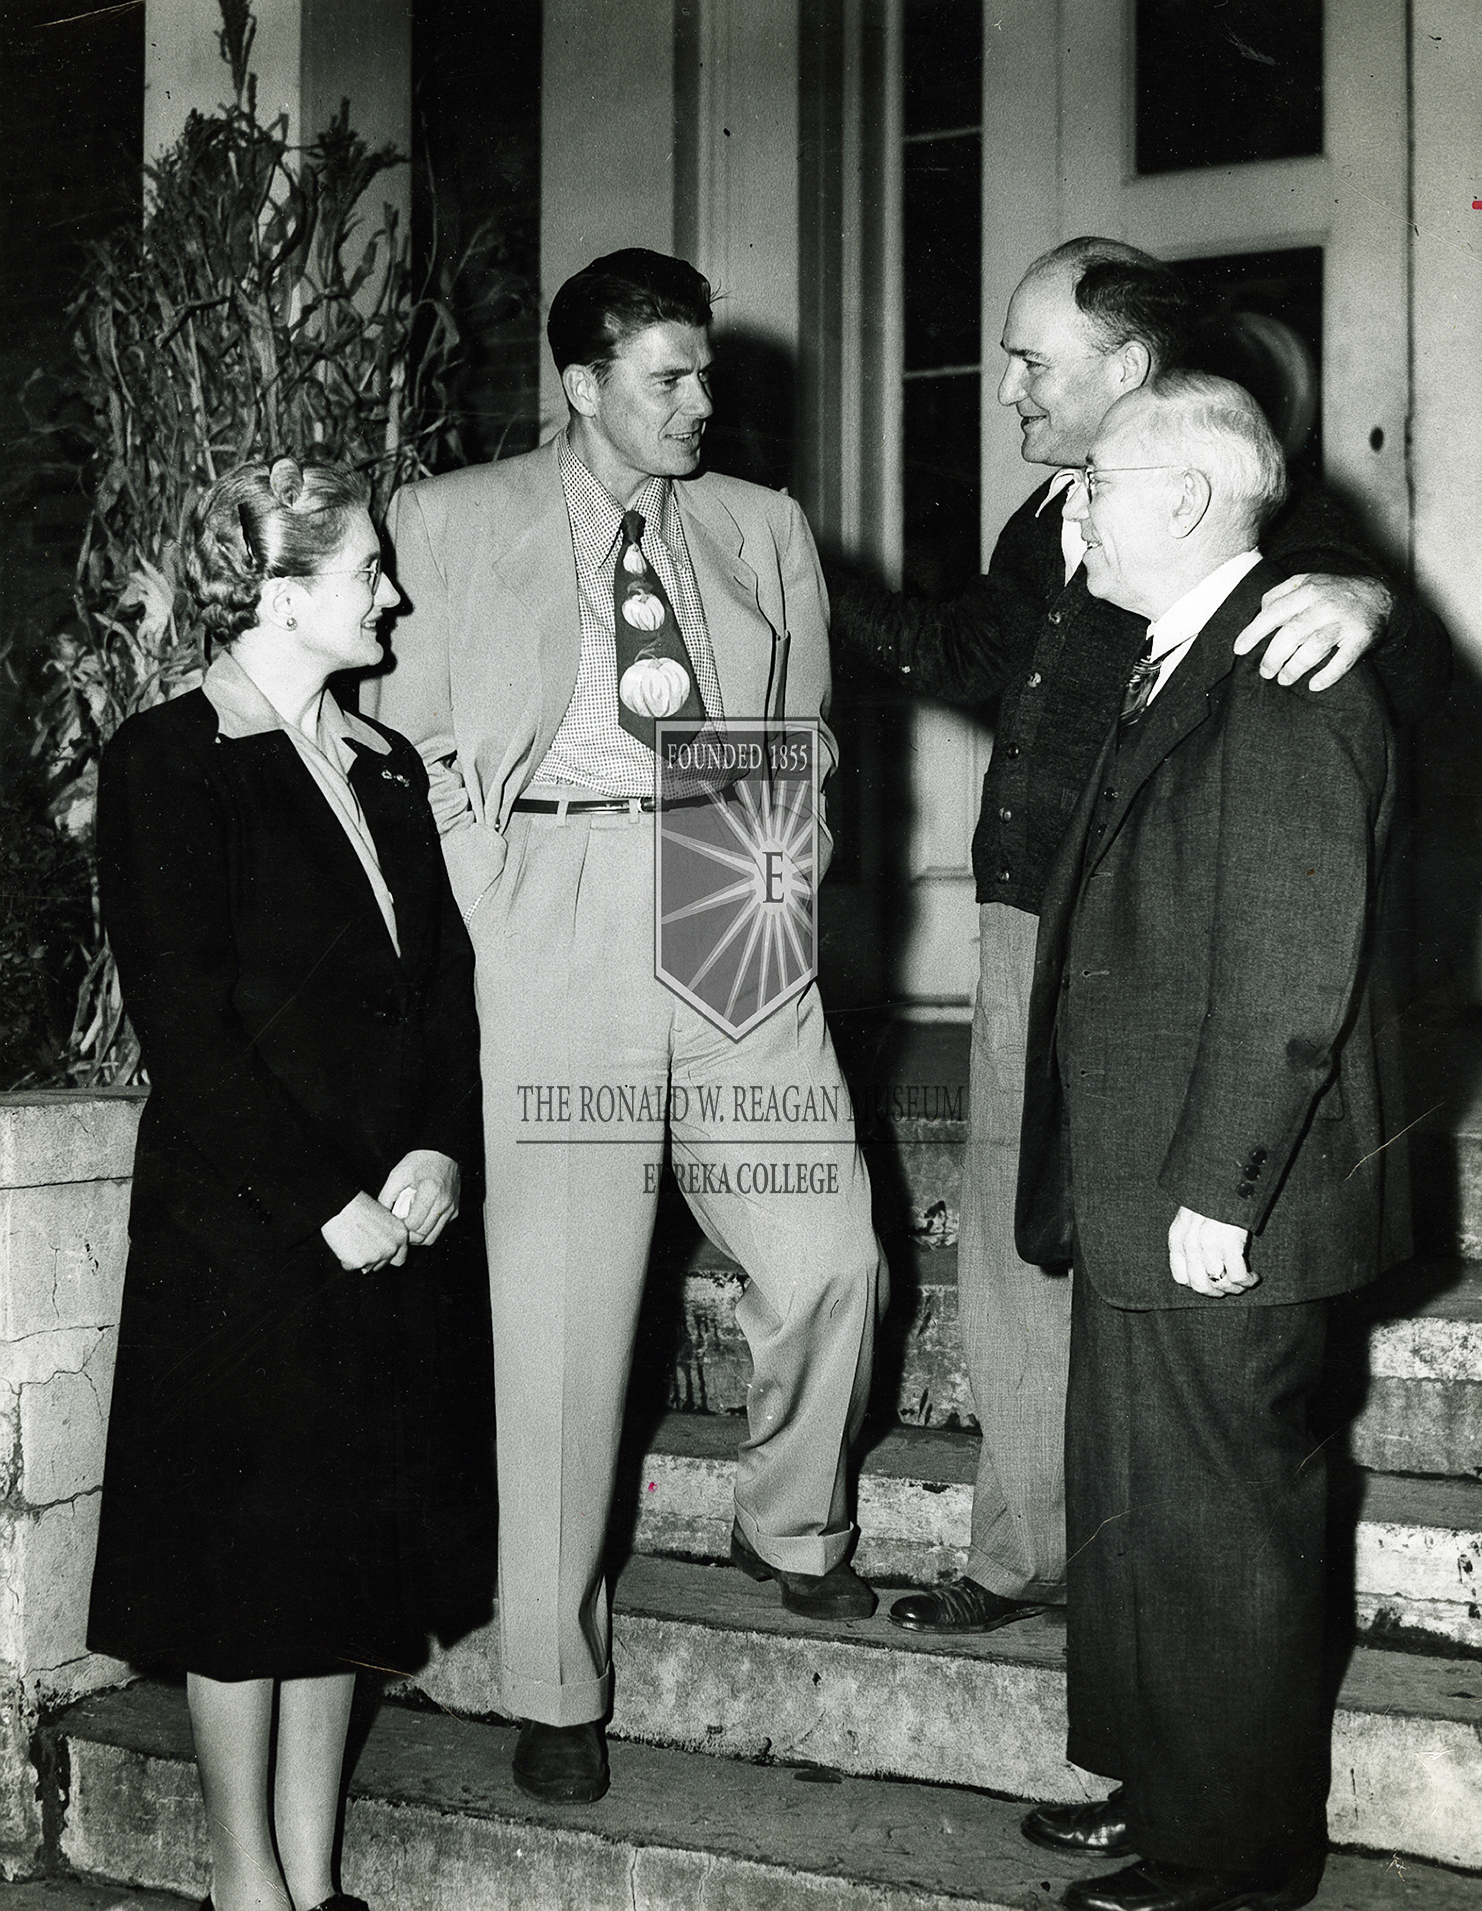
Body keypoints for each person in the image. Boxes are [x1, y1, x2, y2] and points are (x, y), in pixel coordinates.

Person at [832, 236, 1448, 1638]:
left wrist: (1368, 604)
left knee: (1136, 1269)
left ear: (1128, 365)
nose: (1007, 389)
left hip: (1151, 959)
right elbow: (962, 654)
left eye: (1030, 361)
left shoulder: (1240, 497)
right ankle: (1025, 1553)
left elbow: (1382, 653)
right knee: (1017, 1242)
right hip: (1023, 922)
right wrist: (783, 561)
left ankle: (1122, 1584)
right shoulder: (1050, 515)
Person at [369, 248, 887, 1806]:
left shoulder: (760, 525)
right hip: (556, 898)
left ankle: (790, 1521)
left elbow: (810, 731)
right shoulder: (449, 520)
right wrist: (494, 898)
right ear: (582, 385)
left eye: (705, 372)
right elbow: (409, 741)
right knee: (563, 1317)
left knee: (831, 1251)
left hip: (730, 876)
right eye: (668, 378)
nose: (700, 402)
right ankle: (553, 1678)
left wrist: (778, 866)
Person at [1013, 373, 1403, 1911]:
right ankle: (1159, 1785)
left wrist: (1218, 1190)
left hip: (1220, 1190)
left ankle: (1235, 1855)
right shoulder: (1176, 651)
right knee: (1143, 1508)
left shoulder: (1285, 674)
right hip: (1138, 1170)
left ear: (1180, 500)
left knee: (1220, 1526)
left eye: (1093, 483)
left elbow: (1291, 970)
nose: (1069, 508)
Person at [87, 457, 493, 1911]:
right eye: (367, 569)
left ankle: (317, 1887)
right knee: (242, 1583)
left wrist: (439, 1148)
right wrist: (330, 1207)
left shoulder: (384, 760)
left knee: (339, 1574)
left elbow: (442, 989)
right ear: (275, 593)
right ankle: (248, 1888)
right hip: (248, 1239)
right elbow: (188, 1033)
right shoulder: (169, 760)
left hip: (389, 1220)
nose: (392, 593)